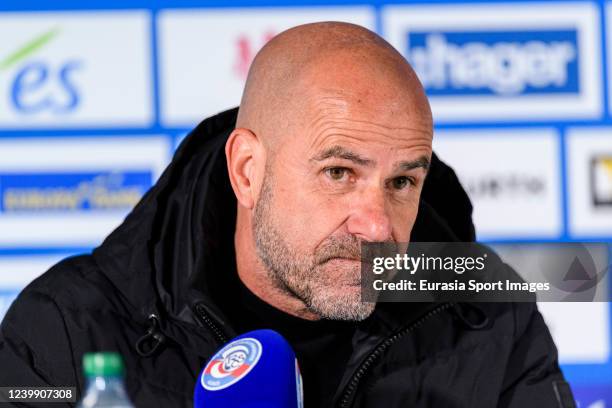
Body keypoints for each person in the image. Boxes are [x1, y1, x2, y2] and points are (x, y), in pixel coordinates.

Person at [0, 22, 573, 407]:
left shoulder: (487, 312)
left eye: (401, 181)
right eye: (338, 173)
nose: (376, 226)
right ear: (248, 171)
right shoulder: (66, 331)